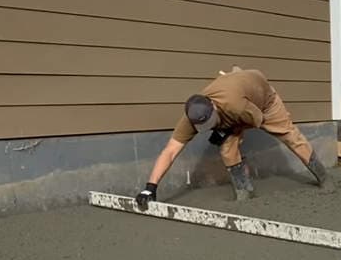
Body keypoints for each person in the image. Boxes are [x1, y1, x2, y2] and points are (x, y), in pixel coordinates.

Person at [135, 68, 329, 207]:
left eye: (210, 123)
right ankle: (245, 193)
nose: (206, 128)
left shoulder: (236, 105)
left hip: (263, 100)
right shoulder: (191, 116)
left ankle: (324, 177)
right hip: (236, 95)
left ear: (214, 107)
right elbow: (170, 151)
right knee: (227, 150)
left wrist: (227, 131)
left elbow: (258, 120)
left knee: (290, 135)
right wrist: (150, 188)